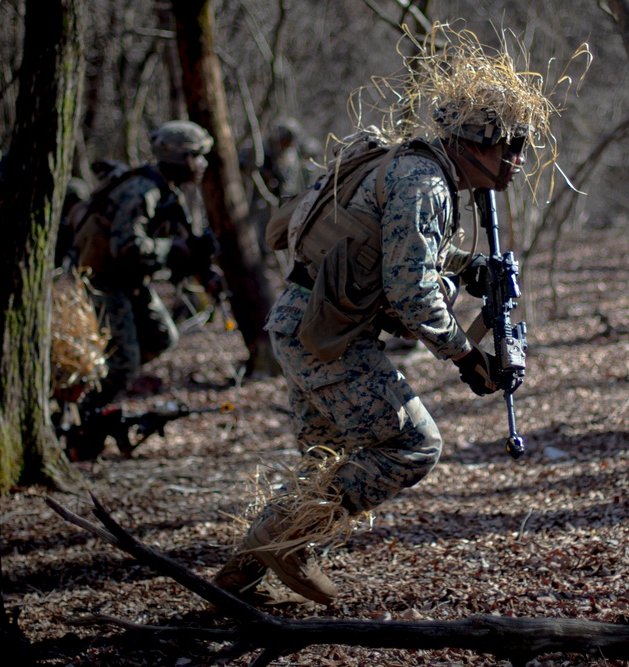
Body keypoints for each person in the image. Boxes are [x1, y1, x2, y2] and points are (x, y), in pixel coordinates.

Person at [213, 31, 553, 607]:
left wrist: (470, 270)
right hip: (324, 334)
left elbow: (399, 249)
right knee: (413, 445)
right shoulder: (425, 182)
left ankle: (236, 583)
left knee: (327, 465)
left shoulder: (415, 169)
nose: (518, 160)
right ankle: (285, 545)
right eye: (509, 145)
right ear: (474, 141)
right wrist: (467, 359)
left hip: (306, 326)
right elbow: (411, 288)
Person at [72, 120, 217, 415]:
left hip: (129, 281)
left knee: (162, 336)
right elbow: (125, 246)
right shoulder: (143, 191)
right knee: (124, 363)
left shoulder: (167, 192)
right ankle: (81, 414)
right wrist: (172, 250)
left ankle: (101, 384)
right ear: (180, 158)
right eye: (196, 156)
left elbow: (182, 245)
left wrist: (204, 271)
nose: (202, 164)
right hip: (106, 282)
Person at [241, 117, 307, 253]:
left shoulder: (289, 158)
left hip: (270, 202)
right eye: (285, 140)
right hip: (248, 196)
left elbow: (288, 184)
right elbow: (241, 165)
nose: (287, 145)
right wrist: (259, 173)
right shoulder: (258, 148)